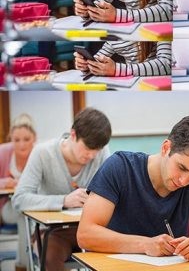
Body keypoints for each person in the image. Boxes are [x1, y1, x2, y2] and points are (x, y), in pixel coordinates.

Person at [76, 115, 189, 258]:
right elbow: (85, 235)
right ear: (166, 148)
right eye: (182, 168)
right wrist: (145, 244)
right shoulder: (119, 167)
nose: (184, 181)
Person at [12, 108, 111, 271]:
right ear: (73, 135)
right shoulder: (43, 153)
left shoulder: (102, 154)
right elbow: (19, 199)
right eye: (87, 148)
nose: (92, 155)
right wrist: (63, 201)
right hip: (53, 233)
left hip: (91, 229)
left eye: (97, 150)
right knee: (50, 256)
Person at [0, 113, 36, 270]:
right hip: (8, 207)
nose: (21, 144)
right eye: (16, 140)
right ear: (10, 139)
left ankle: (23, 265)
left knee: (27, 215)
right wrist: (3, 182)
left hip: (35, 206)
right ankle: (24, 266)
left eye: (26, 139)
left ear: (34, 138)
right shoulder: (2, 152)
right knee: (24, 214)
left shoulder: (40, 153)